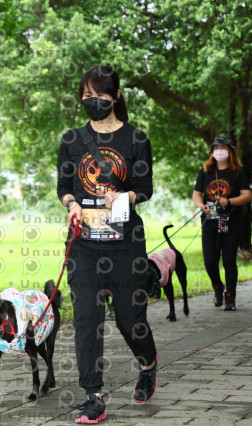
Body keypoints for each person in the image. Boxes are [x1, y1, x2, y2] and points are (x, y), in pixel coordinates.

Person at [57, 65, 156, 424]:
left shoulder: (136, 139)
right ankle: (93, 396)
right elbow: (64, 188)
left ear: (116, 96)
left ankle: (148, 364)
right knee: (86, 319)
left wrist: (126, 197)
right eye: (87, 96)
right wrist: (72, 205)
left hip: (125, 243)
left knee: (130, 319)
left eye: (99, 95)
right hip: (84, 243)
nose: (92, 101)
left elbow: (145, 188)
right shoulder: (72, 140)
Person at [192, 134, 252, 311]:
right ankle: (218, 286)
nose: (219, 151)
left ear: (230, 151)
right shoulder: (205, 172)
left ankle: (230, 297)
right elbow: (196, 194)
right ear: (212, 152)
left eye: (223, 148)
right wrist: (201, 205)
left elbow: (247, 195)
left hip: (231, 220)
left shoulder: (237, 172)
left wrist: (229, 201)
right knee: (210, 261)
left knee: (229, 260)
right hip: (209, 220)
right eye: (216, 148)